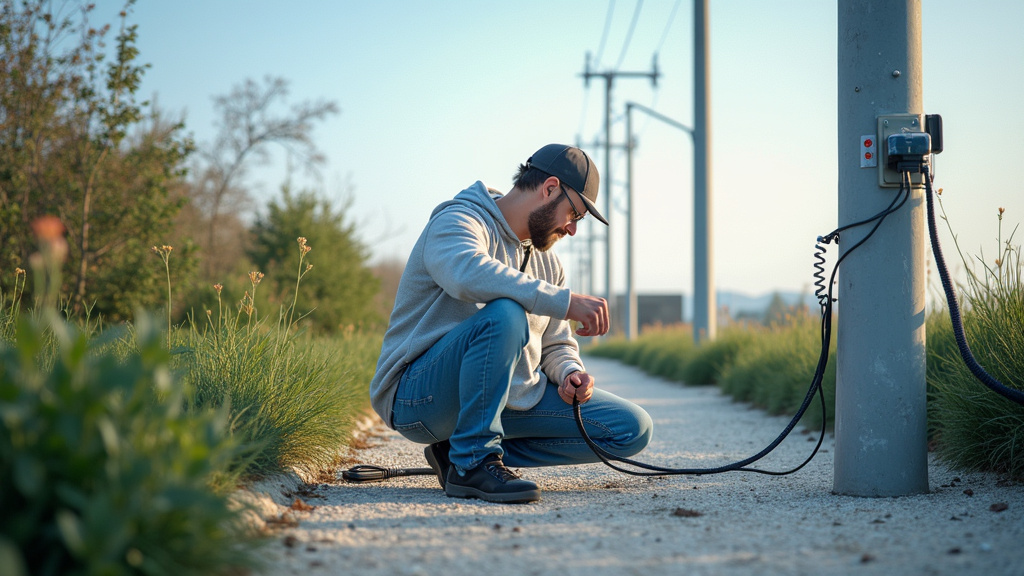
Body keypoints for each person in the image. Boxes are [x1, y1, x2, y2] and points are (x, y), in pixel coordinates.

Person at [369, 144, 653, 504]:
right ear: (549, 188)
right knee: (506, 313)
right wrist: (564, 301)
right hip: (418, 398)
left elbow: (556, 344)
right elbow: (465, 274)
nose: (572, 229)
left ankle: (458, 455)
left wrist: (568, 373)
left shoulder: (549, 266)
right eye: (574, 214)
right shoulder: (459, 221)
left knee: (631, 429)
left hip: (504, 400)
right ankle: (473, 459)